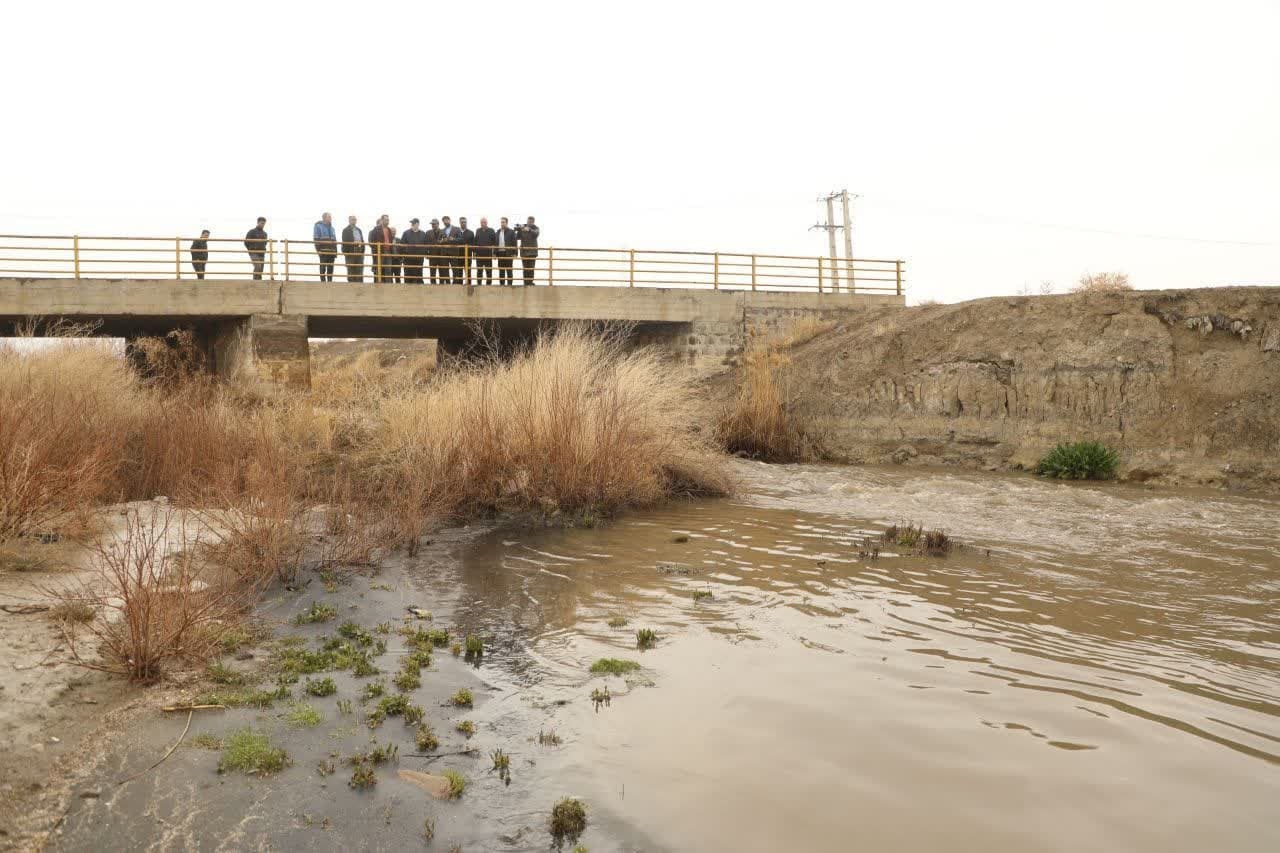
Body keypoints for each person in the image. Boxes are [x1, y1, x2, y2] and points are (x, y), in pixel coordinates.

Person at [368, 214, 397, 283]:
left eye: (388, 220)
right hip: (380, 252)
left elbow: (391, 239)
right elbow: (371, 241)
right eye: (386, 220)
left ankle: (388, 284)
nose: (387, 221)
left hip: (388, 251)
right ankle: (378, 283)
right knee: (379, 268)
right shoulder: (376, 229)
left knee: (388, 269)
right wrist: (376, 249)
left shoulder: (389, 230)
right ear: (382, 220)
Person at [400, 218, 429, 284]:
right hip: (408, 258)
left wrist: (424, 253)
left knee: (419, 273)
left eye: (414, 223)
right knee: (408, 273)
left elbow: (426, 244)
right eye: (412, 223)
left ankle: (419, 289)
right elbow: (402, 244)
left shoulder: (423, 234)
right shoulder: (406, 233)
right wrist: (405, 253)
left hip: (419, 258)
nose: (412, 224)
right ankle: (407, 289)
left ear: (418, 224)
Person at [312, 212, 337, 282]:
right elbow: (316, 238)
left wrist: (335, 252)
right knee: (323, 267)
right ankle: (322, 282)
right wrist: (318, 250)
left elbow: (335, 240)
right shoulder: (318, 226)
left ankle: (330, 282)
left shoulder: (332, 228)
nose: (331, 218)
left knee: (331, 267)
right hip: (323, 250)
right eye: (329, 217)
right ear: (324, 218)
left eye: (330, 217)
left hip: (331, 251)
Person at [516, 216, 539, 285]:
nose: (528, 223)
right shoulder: (523, 227)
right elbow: (517, 237)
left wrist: (529, 229)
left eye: (530, 222)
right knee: (525, 269)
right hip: (524, 252)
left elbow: (536, 234)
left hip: (532, 252)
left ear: (533, 222)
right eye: (528, 221)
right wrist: (519, 229)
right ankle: (525, 283)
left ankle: (530, 282)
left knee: (531, 268)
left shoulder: (536, 228)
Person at [341, 215, 365, 283]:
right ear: (349, 221)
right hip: (351, 252)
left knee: (360, 269)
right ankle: (351, 286)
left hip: (359, 251)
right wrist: (352, 243)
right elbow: (345, 241)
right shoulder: (346, 230)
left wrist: (362, 250)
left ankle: (360, 285)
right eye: (352, 219)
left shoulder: (359, 230)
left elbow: (362, 240)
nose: (354, 221)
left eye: (355, 219)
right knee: (351, 269)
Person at [495, 216, 518, 286]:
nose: (502, 224)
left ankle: (510, 286)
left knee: (509, 270)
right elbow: (496, 243)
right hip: (500, 253)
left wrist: (515, 253)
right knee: (501, 271)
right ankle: (502, 285)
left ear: (507, 223)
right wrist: (494, 253)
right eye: (501, 222)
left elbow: (515, 243)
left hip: (508, 253)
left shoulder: (511, 232)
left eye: (503, 222)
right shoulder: (498, 231)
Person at [473, 217, 496, 284]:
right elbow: (475, 242)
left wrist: (494, 253)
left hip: (488, 255)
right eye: (482, 222)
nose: (483, 224)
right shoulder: (478, 230)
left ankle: (488, 286)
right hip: (479, 255)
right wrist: (474, 253)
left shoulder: (491, 230)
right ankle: (479, 285)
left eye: (484, 222)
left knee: (489, 272)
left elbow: (494, 242)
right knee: (479, 271)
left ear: (487, 223)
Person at [438, 216, 461, 285]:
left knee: (455, 269)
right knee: (445, 269)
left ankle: (455, 283)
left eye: (446, 220)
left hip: (454, 252)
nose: (445, 222)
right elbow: (438, 241)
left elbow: (460, 239)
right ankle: (448, 283)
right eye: (444, 221)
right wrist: (442, 240)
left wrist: (453, 239)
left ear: (449, 220)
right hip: (444, 253)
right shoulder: (441, 230)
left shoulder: (457, 229)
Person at [458, 217, 475, 286]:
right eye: (462, 222)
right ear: (460, 223)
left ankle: (469, 285)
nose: (463, 223)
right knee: (459, 271)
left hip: (468, 255)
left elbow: (473, 244)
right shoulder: (456, 232)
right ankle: (459, 285)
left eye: (465, 222)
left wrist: (474, 254)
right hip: (458, 255)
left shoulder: (471, 233)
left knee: (468, 271)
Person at [426, 219, 444, 284]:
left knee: (442, 272)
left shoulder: (443, 231)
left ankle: (442, 286)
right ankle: (433, 285)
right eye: (432, 224)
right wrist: (427, 253)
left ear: (438, 224)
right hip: (432, 255)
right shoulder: (428, 232)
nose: (433, 225)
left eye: (434, 224)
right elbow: (426, 243)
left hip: (441, 255)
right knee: (432, 272)